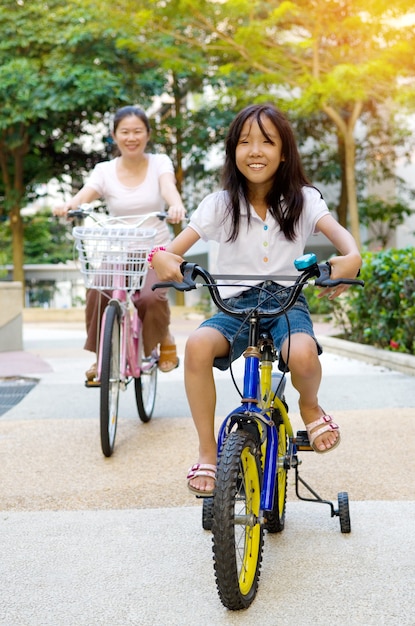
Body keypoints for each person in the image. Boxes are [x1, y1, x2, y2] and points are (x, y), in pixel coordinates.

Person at [150, 103, 362, 497]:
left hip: (286, 301)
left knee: (301, 355)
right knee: (197, 345)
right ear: (233, 151)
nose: (255, 150)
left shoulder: (304, 199)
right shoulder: (218, 205)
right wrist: (161, 258)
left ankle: (310, 406)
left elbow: (344, 241)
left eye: (267, 141)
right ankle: (207, 451)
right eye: (244, 142)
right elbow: (171, 251)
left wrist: (352, 258)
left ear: (284, 152)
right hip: (235, 304)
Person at [54, 105, 186, 379]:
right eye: (124, 132)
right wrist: (70, 205)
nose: (131, 137)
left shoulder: (160, 162)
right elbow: (85, 195)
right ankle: (101, 357)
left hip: (155, 251)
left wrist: (176, 206)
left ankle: (164, 335)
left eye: (138, 131)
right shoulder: (105, 170)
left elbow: (168, 188)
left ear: (148, 134)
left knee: (150, 298)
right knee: (97, 291)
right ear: (114, 136)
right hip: (118, 250)